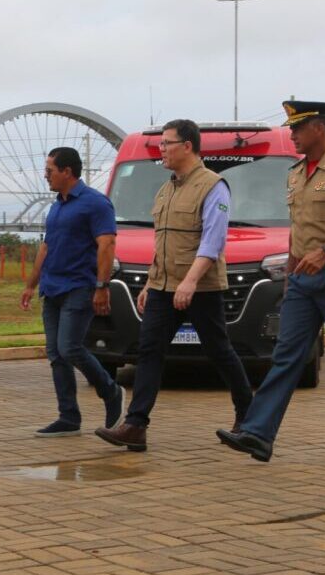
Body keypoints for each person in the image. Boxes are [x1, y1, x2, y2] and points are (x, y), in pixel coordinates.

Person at [217, 100, 325, 462]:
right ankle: (259, 435)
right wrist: (292, 274)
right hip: (303, 281)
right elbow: (298, 230)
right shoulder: (294, 172)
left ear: (319, 129)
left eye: (297, 128)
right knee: (286, 357)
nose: (291, 134)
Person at [95, 119, 253, 452]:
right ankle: (136, 425)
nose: (161, 149)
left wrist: (190, 282)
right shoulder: (166, 188)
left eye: (167, 143)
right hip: (163, 287)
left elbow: (213, 240)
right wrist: (151, 284)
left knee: (219, 351)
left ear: (188, 146)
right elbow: (162, 244)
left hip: (201, 288)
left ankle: (248, 415)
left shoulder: (213, 186)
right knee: (148, 350)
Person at [20, 147, 124, 437]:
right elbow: (46, 246)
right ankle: (68, 417)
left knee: (70, 347)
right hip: (51, 289)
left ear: (67, 171)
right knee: (56, 354)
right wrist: (31, 284)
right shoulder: (57, 205)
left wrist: (102, 286)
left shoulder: (96, 204)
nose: (45, 176)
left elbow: (107, 245)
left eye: (50, 170)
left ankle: (111, 391)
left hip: (80, 286)